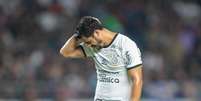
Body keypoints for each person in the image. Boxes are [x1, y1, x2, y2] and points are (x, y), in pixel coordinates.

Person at [60, 16, 143, 101]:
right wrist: (78, 35)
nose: (87, 45)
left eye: (88, 42)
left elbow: (137, 80)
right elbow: (65, 52)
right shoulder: (92, 46)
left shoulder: (126, 45)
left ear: (96, 33)